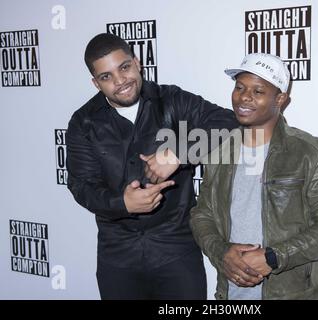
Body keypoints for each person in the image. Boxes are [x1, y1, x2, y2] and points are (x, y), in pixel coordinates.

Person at [66, 33, 239, 299]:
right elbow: (81, 186)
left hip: (177, 251)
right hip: (117, 257)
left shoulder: (171, 100)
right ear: (96, 83)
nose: (120, 81)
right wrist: (122, 203)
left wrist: (179, 153)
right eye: (106, 77)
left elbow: (230, 123)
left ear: (137, 63)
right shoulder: (83, 122)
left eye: (124, 68)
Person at [190, 53, 318, 300]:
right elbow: (202, 214)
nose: (244, 97)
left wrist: (274, 257)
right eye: (240, 87)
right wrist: (221, 252)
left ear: (280, 99)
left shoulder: (309, 152)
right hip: (230, 293)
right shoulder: (219, 149)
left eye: (258, 91)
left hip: (292, 294)